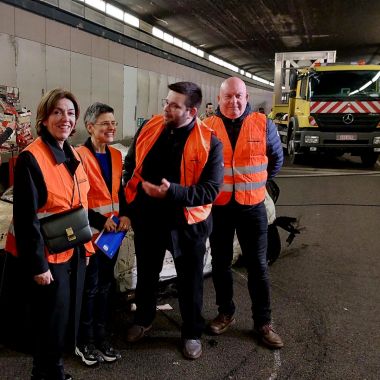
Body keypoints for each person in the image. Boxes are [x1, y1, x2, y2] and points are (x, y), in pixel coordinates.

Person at [123, 81, 223, 359]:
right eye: (166, 101)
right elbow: (131, 163)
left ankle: (191, 332)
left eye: (174, 105)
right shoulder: (151, 127)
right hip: (149, 220)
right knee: (146, 275)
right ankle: (143, 320)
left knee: (190, 282)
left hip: (187, 224)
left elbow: (211, 189)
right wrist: (131, 197)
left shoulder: (209, 142)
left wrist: (172, 192)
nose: (166, 107)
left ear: (191, 111)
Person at [4, 88, 95, 380]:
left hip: (72, 250)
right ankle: (45, 373)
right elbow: (26, 217)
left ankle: (53, 370)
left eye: (70, 113)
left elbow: (80, 204)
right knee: (48, 322)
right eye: (57, 112)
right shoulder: (33, 158)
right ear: (43, 118)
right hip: (48, 256)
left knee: (63, 319)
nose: (65, 119)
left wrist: (88, 248)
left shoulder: (72, 153)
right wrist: (38, 266)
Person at [202, 77, 284, 349]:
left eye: (239, 96)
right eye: (228, 97)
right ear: (219, 98)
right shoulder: (208, 127)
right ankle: (226, 313)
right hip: (221, 208)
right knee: (221, 263)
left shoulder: (263, 124)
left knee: (258, 266)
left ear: (246, 97)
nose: (234, 102)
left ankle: (263, 322)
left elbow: (275, 159)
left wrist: (255, 183)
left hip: (252, 207)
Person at [75, 102, 130, 366]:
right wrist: (100, 220)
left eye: (113, 122)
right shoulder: (78, 157)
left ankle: (101, 337)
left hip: (112, 236)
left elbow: (118, 193)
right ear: (90, 127)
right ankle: (84, 342)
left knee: (106, 287)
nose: (111, 127)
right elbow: (74, 200)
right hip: (90, 235)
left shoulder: (117, 156)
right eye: (105, 123)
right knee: (90, 289)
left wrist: (126, 215)